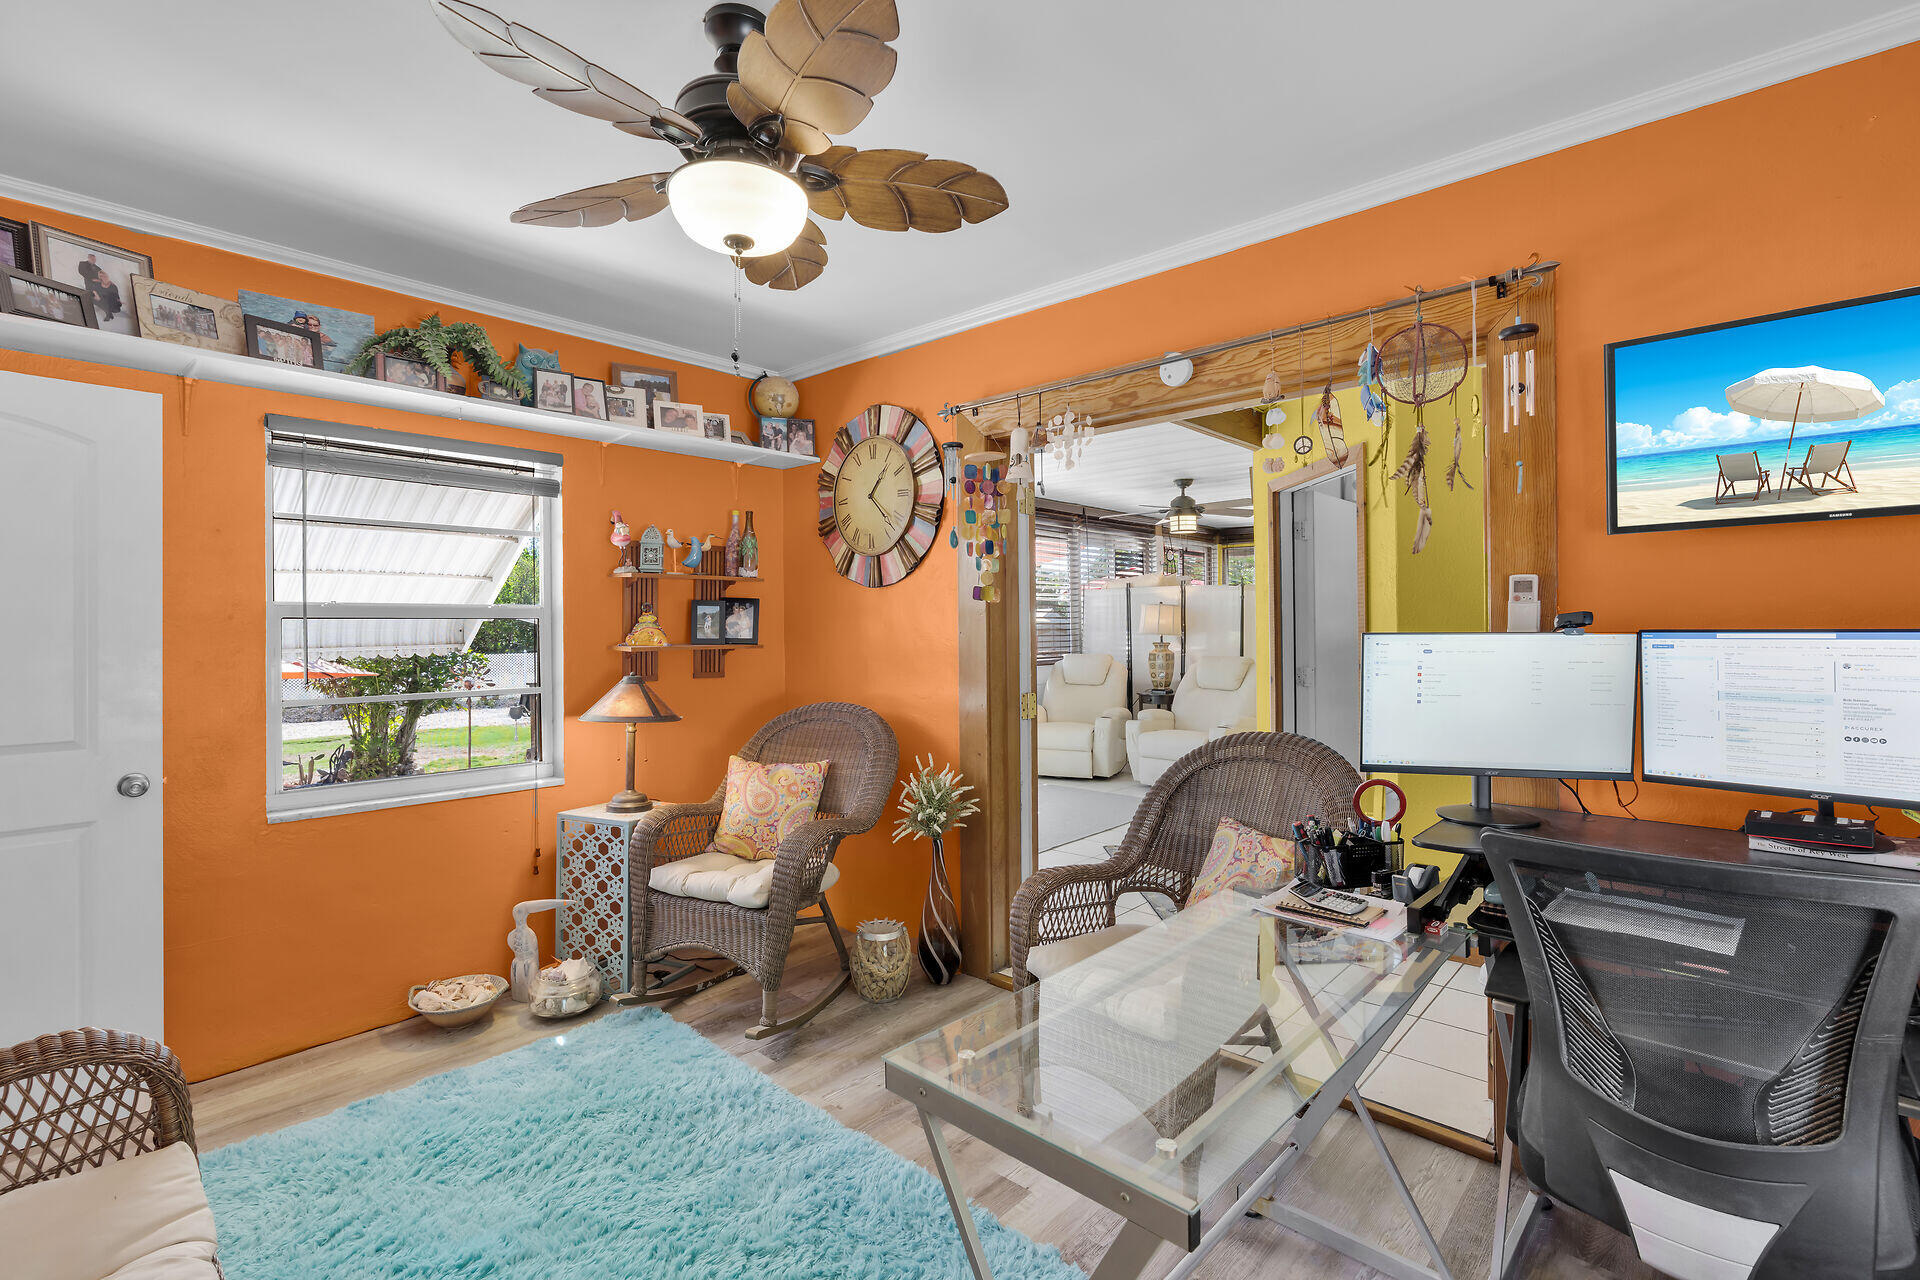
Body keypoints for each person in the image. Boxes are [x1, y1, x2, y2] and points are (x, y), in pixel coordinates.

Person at [76, 255, 122, 322]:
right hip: (90, 285)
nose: (94, 261)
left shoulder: (96, 267)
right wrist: (92, 279)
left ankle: (108, 312)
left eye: (94, 259)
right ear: (89, 258)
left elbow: (102, 274)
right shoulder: (82, 263)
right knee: (92, 299)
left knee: (100, 300)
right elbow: (82, 272)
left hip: (97, 286)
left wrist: (105, 281)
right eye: (92, 259)